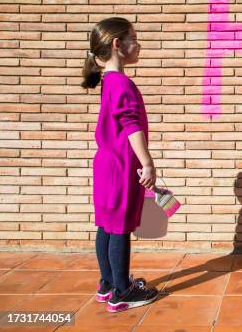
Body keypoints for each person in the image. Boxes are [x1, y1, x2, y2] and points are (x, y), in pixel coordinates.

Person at [81, 17, 159, 312]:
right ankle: (122, 292)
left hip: (105, 164)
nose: (138, 44)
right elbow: (130, 125)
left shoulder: (108, 81)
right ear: (118, 44)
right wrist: (147, 163)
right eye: (134, 38)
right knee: (121, 227)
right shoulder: (122, 83)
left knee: (106, 225)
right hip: (121, 166)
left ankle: (107, 283)